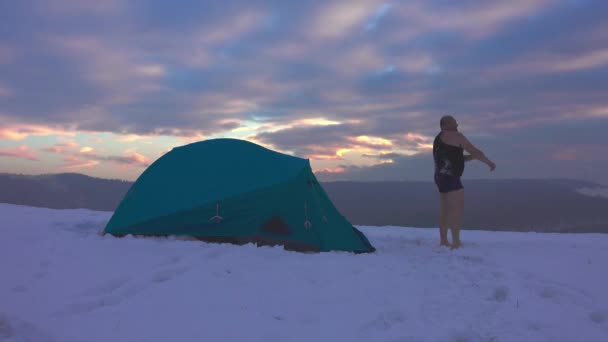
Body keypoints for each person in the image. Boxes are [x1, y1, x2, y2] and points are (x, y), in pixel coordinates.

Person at [432, 115, 496, 249]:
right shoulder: (457, 136)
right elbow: (475, 151)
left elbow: (452, 158)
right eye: (454, 122)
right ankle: (456, 243)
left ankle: (443, 241)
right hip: (451, 178)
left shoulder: (438, 138)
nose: (457, 125)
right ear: (445, 125)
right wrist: (488, 162)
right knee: (456, 211)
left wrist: (470, 158)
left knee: (446, 211)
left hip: (440, 177)